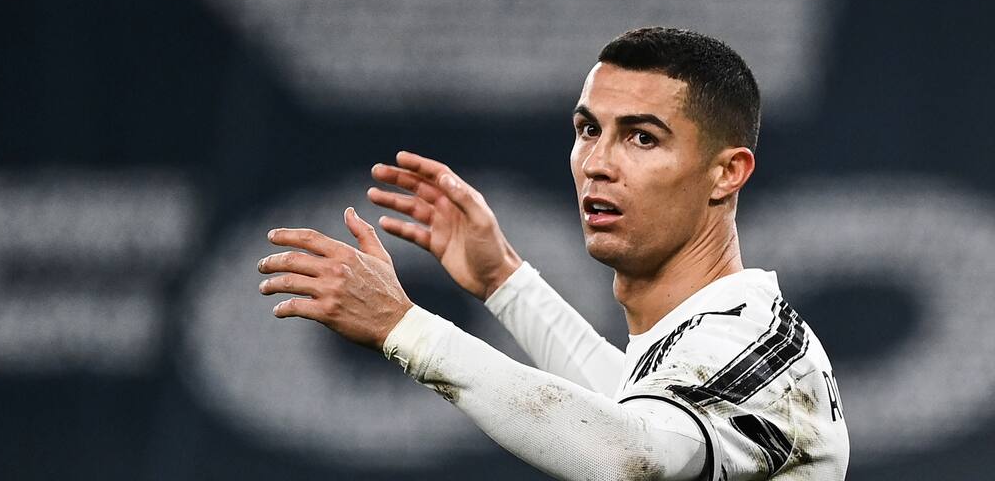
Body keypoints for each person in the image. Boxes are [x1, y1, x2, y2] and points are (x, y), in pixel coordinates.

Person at [257, 27, 848, 480]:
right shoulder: (707, 346)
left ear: (727, 173)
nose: (597, 164)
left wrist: (404, 328)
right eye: (589, 130)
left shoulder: (758, 350)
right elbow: (631, 406)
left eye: (642, 137)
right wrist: (504, 283)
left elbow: (628, 454)